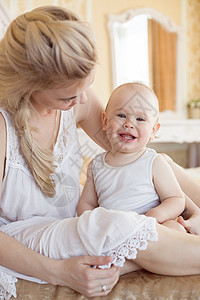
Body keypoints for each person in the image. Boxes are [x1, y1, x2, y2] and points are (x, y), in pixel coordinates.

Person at [1, 5, 200, 300]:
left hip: (76, 226)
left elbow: (139, 158)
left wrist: (193, 209)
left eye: (88, 86)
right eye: (69, 95)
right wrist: (59, 272)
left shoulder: (78, 98)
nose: (83, 100)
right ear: (30, 85)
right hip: (23, 237)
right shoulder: (4, 129)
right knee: (112, 222)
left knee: (159, 164)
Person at [77, 82, 186, 232]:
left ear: (154, 130)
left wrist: (155, 215)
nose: (129, 124)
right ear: (105, 121)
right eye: (121, 115)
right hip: (112, 230)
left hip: (149, 227)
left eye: (140, 119)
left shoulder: (154, 162)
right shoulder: (96, 165)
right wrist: (91, 224)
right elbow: (87, 204)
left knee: (175, 229)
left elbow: (176, 200)